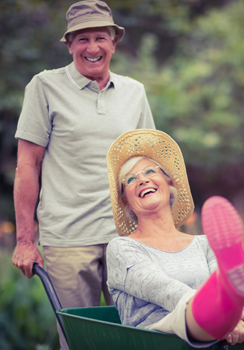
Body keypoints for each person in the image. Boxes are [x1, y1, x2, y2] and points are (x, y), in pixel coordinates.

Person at [12, 1, 155, 349]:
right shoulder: (45, 87)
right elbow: (27, 165)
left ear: (114, 42)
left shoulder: (134, 91)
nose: (92, 48)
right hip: (69, 239)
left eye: (101, 38)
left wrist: (159, 229)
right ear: (70, 44)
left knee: (141, 336)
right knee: (82, 342)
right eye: (83, 39)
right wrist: (25, 240)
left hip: (128, 239)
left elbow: (148, 162)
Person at [106, 129, 244, 347]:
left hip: (221, 322)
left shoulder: (204, 243)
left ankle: (227, 306)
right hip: (159, 333)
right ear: (125, 200)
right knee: (185, 312)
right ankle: (216, 311)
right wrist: (223, 318)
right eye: (131, 179)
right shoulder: (122, 247)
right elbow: (163, 289)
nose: (142, 180)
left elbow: (232, 283)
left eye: (150, 172)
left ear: (169, 182)